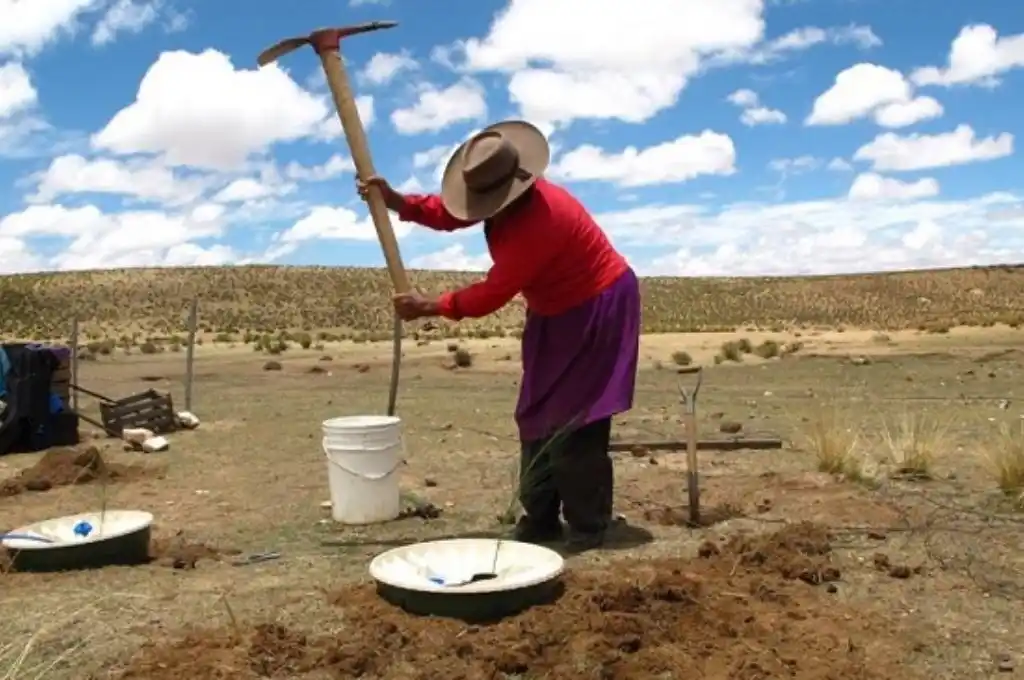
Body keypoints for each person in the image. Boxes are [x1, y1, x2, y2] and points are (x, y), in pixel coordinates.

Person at [356, 120, 640, 552]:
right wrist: (398, 202)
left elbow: (493, 292)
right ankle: (540, 517)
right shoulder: (504, 198)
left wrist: (429, 305)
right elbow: (449, 213)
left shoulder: (541, 222)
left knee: (576, 419)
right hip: (554, 313)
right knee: (536, 412)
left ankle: (588, 524)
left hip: (597, 307)